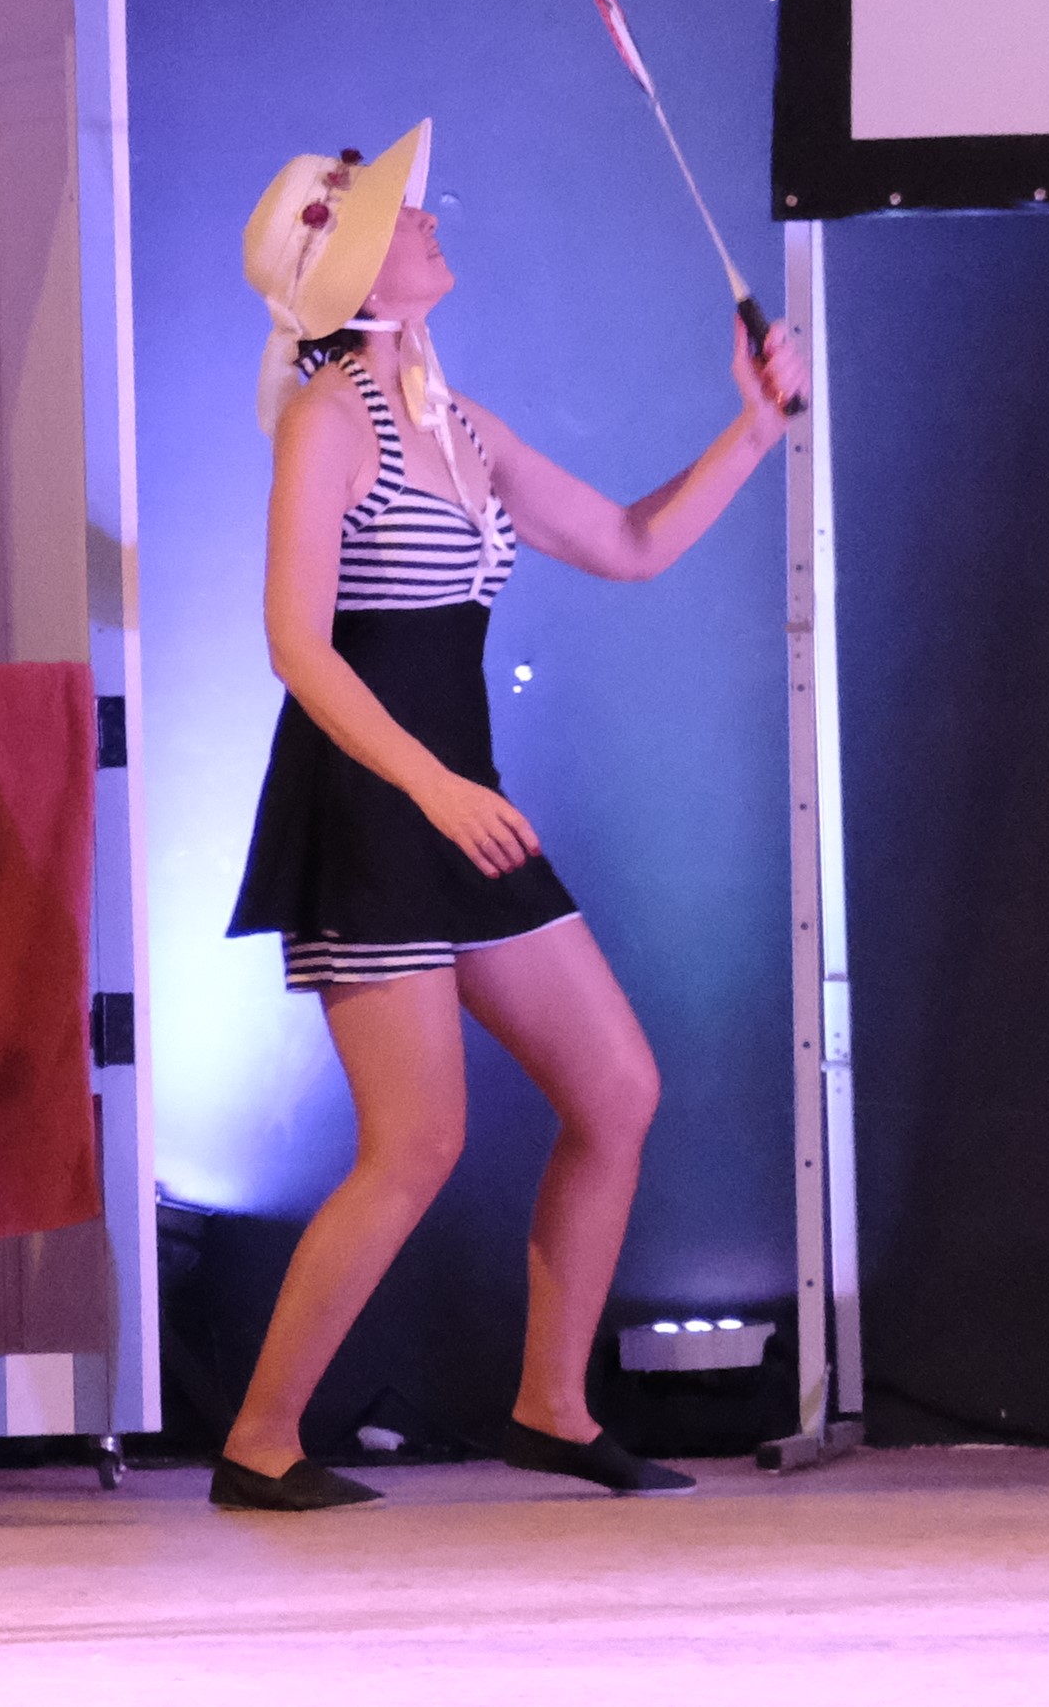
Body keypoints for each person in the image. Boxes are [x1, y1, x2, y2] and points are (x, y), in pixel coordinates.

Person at [215, 124, 807, 1513]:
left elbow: (629, 543)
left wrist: (753, 426)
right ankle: (258, 1439)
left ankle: (551, 1406)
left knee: (615, 1089)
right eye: (402, 216)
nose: (430, 222)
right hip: (373, 807)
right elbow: (296, 642)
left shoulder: (457, 422)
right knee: (416, 1139)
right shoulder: (327, 418)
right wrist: (429, 784)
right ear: (359, 267)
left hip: (459, 806)